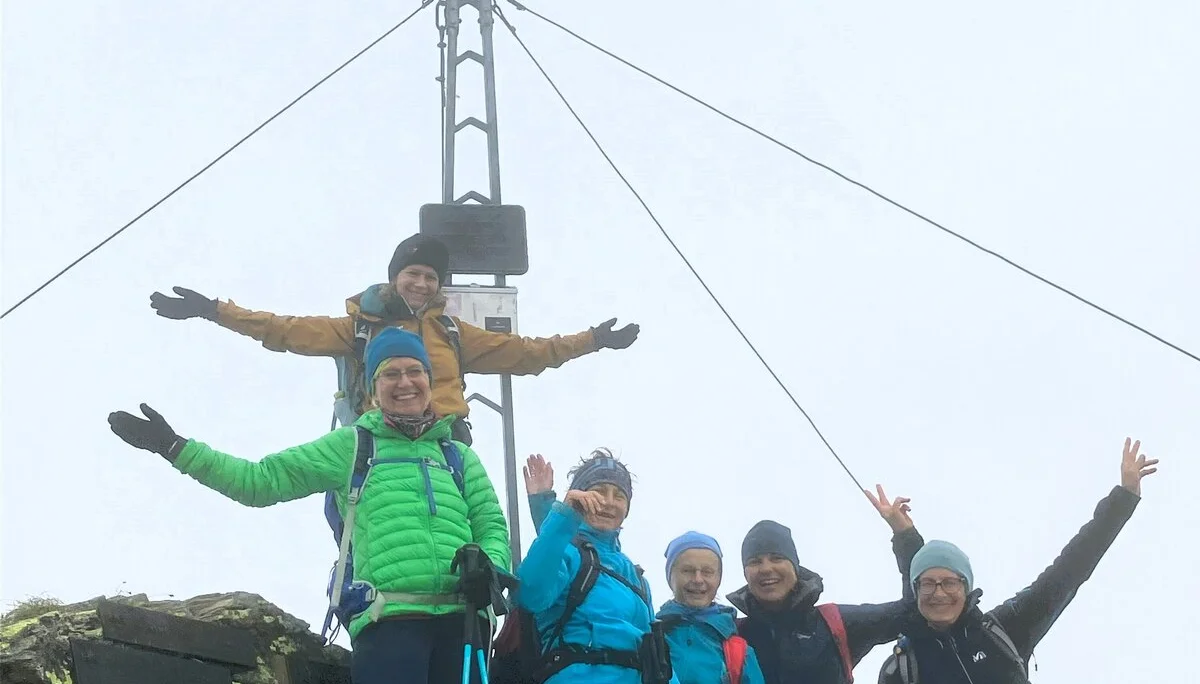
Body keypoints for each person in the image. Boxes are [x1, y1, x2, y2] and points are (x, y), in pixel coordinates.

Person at [107, 327, 512, 684]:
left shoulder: (457, 454)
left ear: (429, 379)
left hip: (464, 625)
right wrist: (176, 448)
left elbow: (491, 525)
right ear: (372, 389)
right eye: (390, 373)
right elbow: (260, 482)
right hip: (389, 622)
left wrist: (489, 568)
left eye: (414, 371)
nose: (404, 382)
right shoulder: (352, 445)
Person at [148, 233, 641, 444]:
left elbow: (530, 354)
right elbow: (283, 330)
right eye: (413, 274)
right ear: (395, 277)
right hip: (382, 441)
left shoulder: (450, 331)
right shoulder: (359, 327)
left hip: (448, 438)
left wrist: (593, 339)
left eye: (430, 277)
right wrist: (213, 310)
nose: (422, 284)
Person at [877, 437, 1159, 684]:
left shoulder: (1006, 629)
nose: (938, 593)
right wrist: (904, 537)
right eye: (927, 584)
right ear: (916, 592)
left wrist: (1123, 500)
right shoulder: (900, 670)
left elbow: (1070, 570)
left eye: (950, 582)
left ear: (966, 588)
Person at [727, 487, 926, 684]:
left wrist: (906, 537)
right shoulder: (728, 633)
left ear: (795, 567)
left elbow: (914, 611)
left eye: (777, 558)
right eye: (754, 561)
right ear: (745, 573)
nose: (766, 568)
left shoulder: (834, 624)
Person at [515, 450, 679, 684]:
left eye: (619, 496)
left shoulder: (638, 578)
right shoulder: (570, 552)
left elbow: (657, 655)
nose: (609, 502)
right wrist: (565, 515)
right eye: (599, 491)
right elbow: (531, 594)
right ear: (581, 495)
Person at [656, 532, 767, 684]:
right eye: (687, 570)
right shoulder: (650, 636)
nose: (698, 579)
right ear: (670, 577)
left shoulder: (739, 653)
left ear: (718, 579)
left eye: (707, 572)